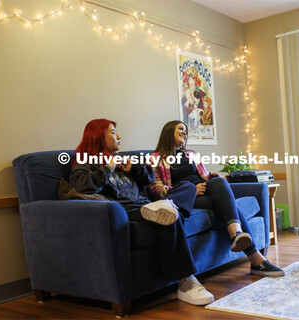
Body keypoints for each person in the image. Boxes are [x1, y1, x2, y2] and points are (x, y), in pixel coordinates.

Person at [69, 119, 214, 306]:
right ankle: (186, 282)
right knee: (168, 218)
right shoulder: (85, 164)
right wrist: (106, 169)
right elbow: (83, 186)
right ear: (98, 136)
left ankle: (170, 207)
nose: (119, 136)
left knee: (186, 187)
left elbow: (149, 179)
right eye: (113, 132)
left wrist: (134, 168)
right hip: (126, 212)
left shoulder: (121, 161)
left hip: (147, 206)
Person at [148, 120, 285, 278]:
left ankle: (237, 234)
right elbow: (156, 190)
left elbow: (203, 175)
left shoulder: (190, 154)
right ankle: (256, 259)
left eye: (186, 131)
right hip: (186, 198)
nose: (184, 133)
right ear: (169, 131)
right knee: (225, 205)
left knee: (218, 181)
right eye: (180, 129)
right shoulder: (155, 158)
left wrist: (211, 177)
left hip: (205, 190)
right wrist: (192, 191)